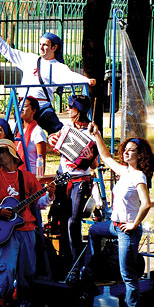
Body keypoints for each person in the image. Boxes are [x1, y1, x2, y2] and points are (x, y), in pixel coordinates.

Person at [0, 139, 55, 307]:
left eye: (1, 151)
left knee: (27, 269)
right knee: (6, 267)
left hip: (27, 229)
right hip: (6, 232)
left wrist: (49, 195)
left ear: (12, 154)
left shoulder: (27, 177)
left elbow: (39, 203)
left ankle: (23, 298)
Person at [85, 125, 154, 307]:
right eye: (125, 149)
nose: (125, 152)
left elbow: (146, 203)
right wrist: (97, 135)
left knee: (128, 275)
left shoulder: (139, 177)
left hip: (128, 231)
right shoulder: (124, 171)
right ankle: (91, 268)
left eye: (131, 150)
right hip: (114, 226)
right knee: (94, 231)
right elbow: (105, 157)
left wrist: (134, 224)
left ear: (140, 155)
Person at [0, 21, 95, 134]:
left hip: (42, 106)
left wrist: (86, 80)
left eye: (45, 45)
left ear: (54, 47)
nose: (41, 48)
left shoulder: (59, 67)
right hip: (24, 106)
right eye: (40, 44)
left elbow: (72, 77)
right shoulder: (29, 59)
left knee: (59, 132)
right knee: (21, 135)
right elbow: (7, 51)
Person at [48, 94, 97, 264]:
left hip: (80, 181)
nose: (68, 109)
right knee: (59, 220)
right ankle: (64, 260)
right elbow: (53, 140)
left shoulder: (92, 132)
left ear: (78, 111)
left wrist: (91, 157)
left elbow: (95, 164)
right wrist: (51, 138)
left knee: (73, 222)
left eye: (71, 107)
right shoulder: (67, 127)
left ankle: (77, 264)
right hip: (62, 178)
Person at [15, 97, 47, 176]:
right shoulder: (19, 130)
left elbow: (41, 159)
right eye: (19, 106)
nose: (21, 109)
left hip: (31, 176)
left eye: (24, 106)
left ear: (33, 110)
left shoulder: (37, 132)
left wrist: (39, 179)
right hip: (18, 174)